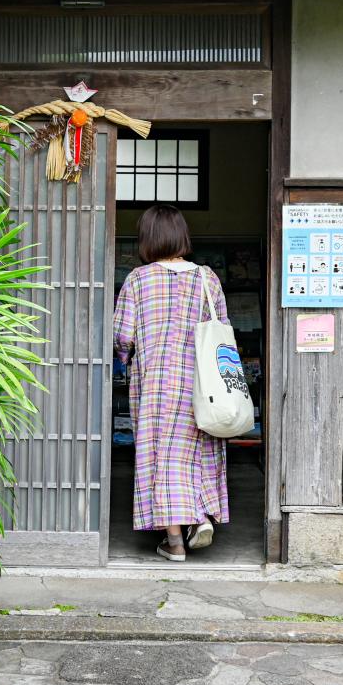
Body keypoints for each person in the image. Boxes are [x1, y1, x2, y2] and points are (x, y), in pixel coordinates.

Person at [112, 204, 229, 561]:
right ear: (182, 236)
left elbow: (123, 335)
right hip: (202, 385)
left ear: (147, 239)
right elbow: (222, 329)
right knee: (198, 451)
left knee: (162, 455)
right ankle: (200, 514)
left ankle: (175, 540)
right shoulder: (207, 277)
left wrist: (124, 358)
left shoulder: (138, 279)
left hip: (155, 386)